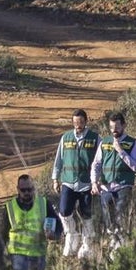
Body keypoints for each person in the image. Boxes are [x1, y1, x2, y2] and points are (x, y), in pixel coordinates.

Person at [3, 173, 61, 270]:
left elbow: (58, 225)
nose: (27, 193)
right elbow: (2, 233)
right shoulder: (10, 207)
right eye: (24, 190)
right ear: (18, 189)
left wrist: (53, 235)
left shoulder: (43, 204)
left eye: (30, 189)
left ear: (34, 188)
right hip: (18, 255)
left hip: (37, 255)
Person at [51, 108, 100, 258]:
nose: (78, 125)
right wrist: (55, 178)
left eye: (80, 122)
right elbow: (58, 159)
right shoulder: (65, 138)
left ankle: (87, 246)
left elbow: (100, 160)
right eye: (75, 122)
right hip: (68, 181)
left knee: (86, 215)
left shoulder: (95, 138)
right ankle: (71, 238)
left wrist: (96, 181)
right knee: (64, 211)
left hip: (86, 183)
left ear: (86, 122)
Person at [90, 112, 136, 254]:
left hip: (124, 184)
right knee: (107, 216)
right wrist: (94, 182)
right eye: (112, 127)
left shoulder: (132, 142)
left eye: (117, 126)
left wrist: (121, 151)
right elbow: (96, 164)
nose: (114, 130)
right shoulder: (104, 142)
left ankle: (120, 245)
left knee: (120, 213)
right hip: (106, 186)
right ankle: (113, 239)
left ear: (124, 125)